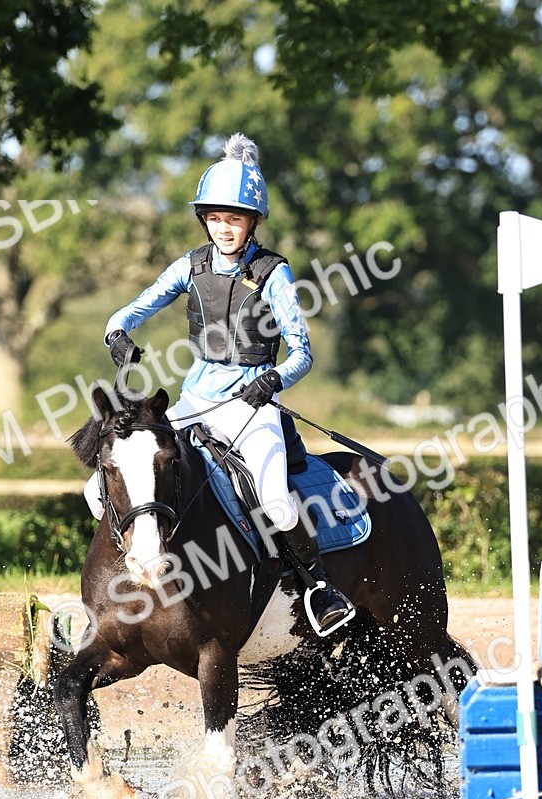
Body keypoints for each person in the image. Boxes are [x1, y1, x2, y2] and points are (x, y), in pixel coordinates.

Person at [88, 132, 354, 634]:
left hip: (252, 408)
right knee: (99, 485)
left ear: (252, 221)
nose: (224, 228)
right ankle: (134, 568)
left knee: (276, 502)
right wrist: (116, 333)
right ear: (203, 220)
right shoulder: (190, 266)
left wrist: (271, 380)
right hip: (194, 401)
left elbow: (302, 354)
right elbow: (132, 309)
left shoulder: (273, 273)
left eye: (234, 219)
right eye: (214, 218)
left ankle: (318, 586)